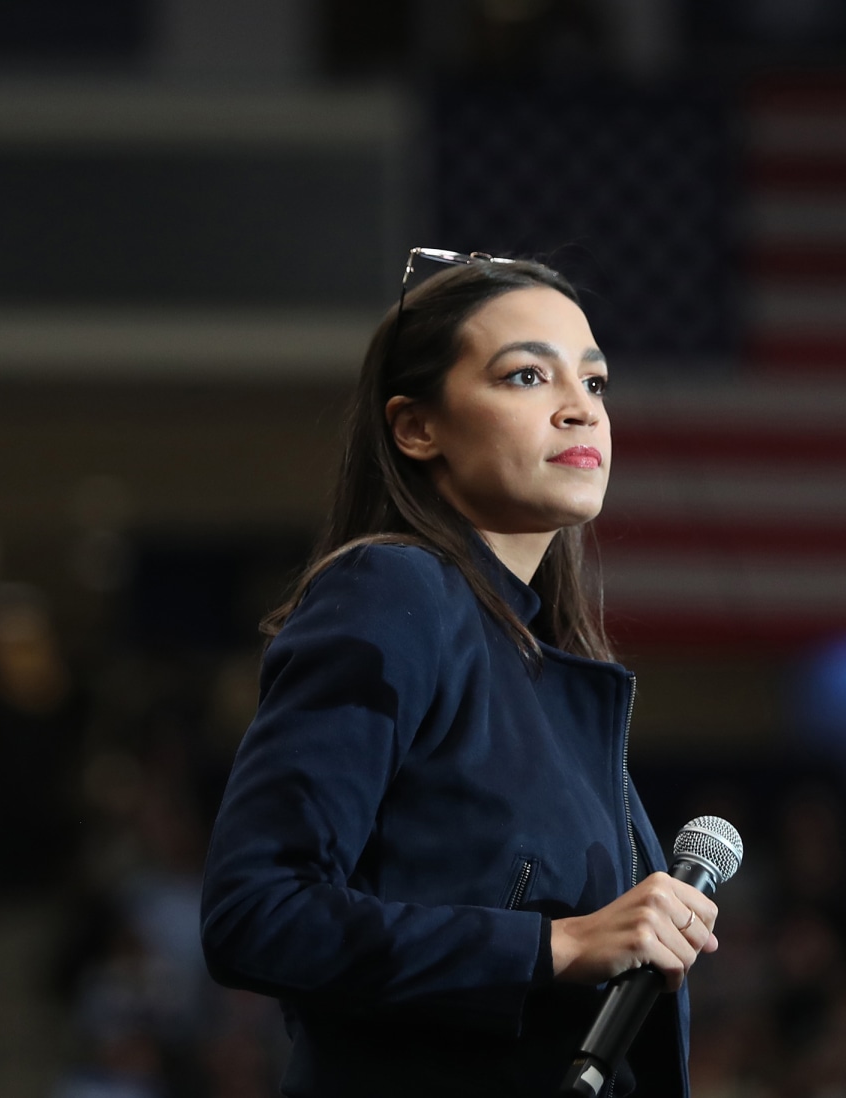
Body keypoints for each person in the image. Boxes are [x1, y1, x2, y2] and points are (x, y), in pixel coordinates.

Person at [199, 253, 719, 1096]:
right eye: (526, 377)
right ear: (415, 428)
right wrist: (558, 947)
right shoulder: (393, 592)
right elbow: (257, 914)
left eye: (595, 384)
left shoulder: (545, 661)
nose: (580, 411)